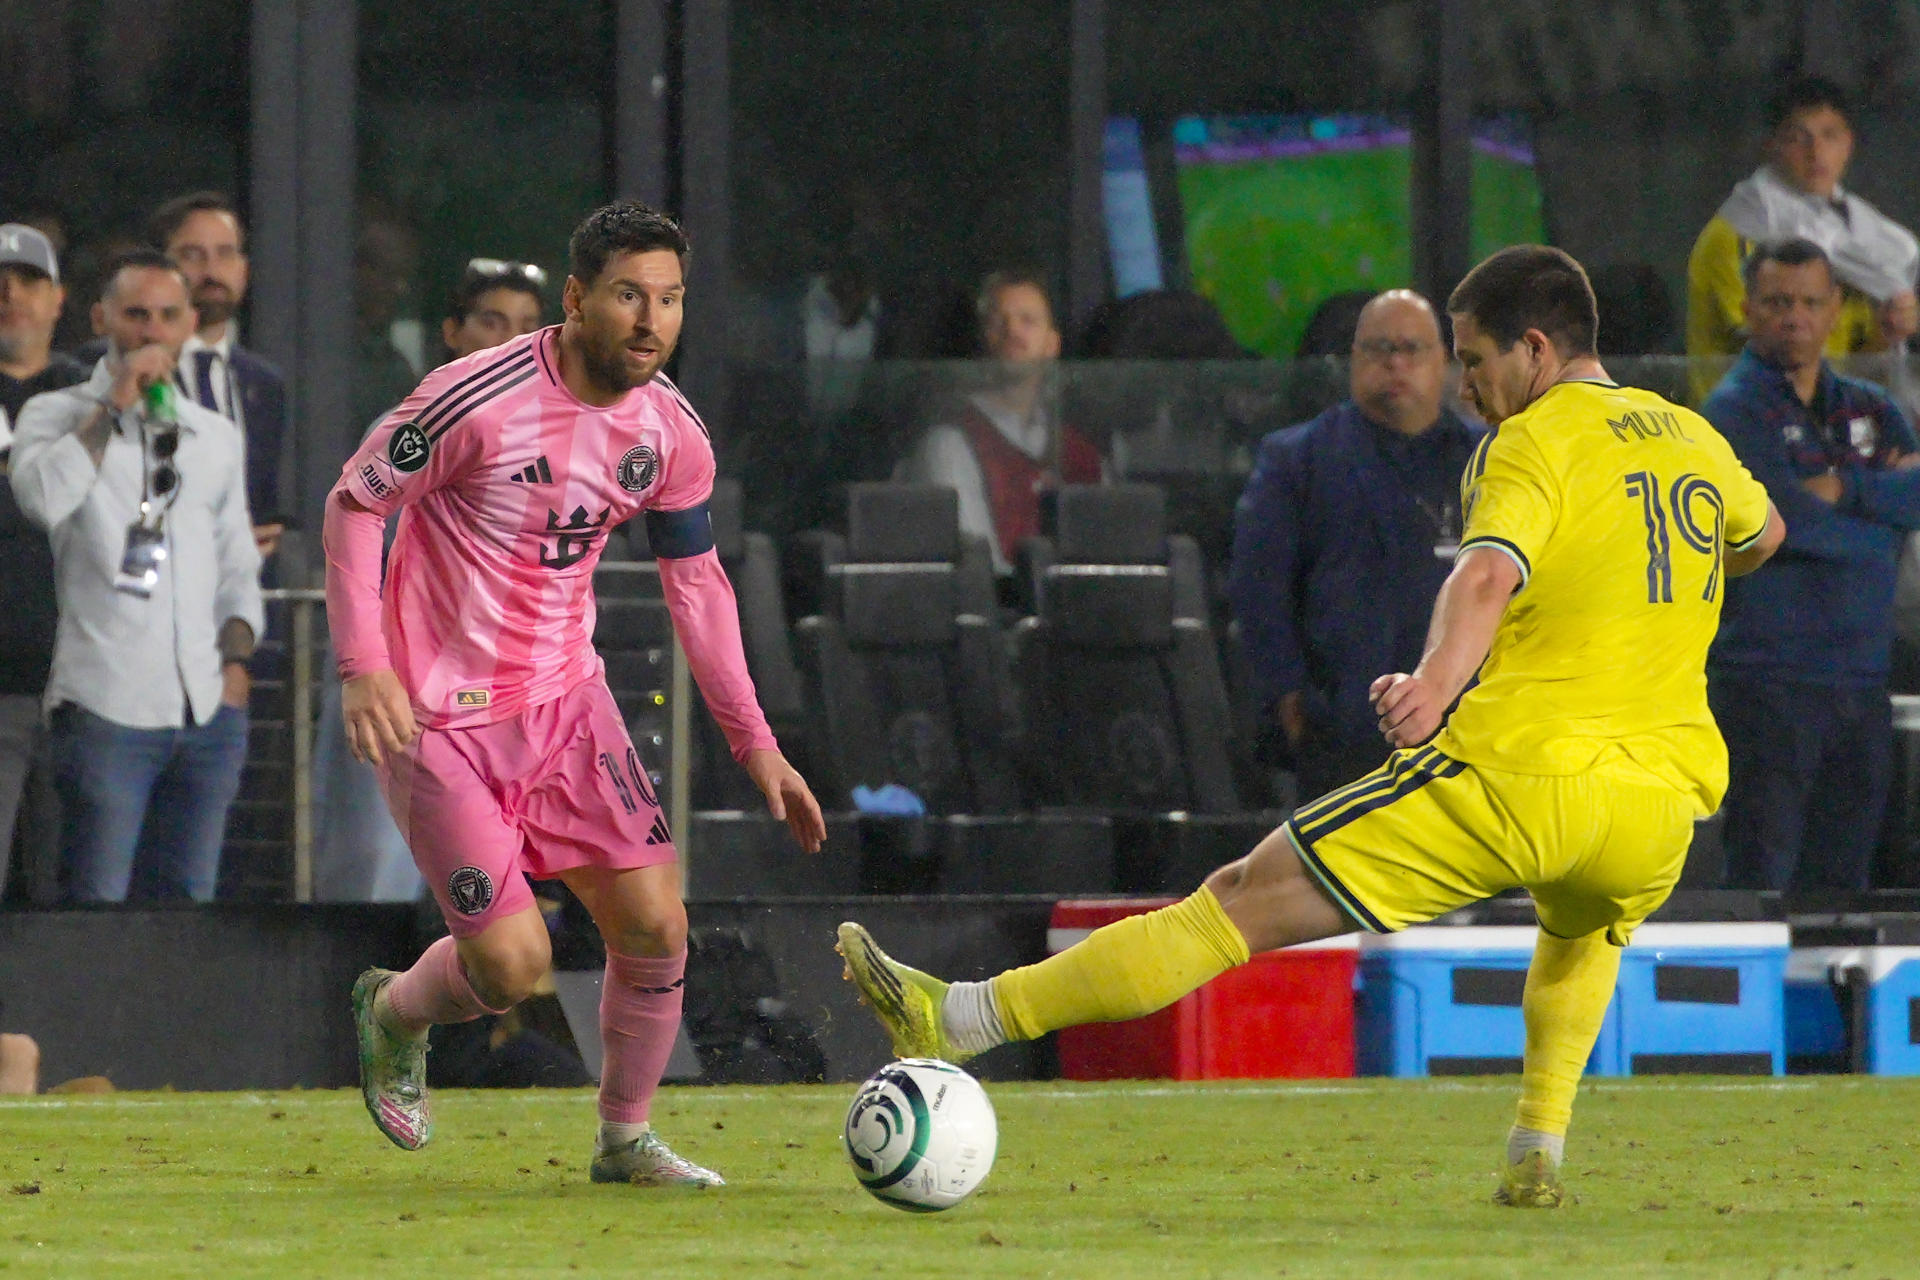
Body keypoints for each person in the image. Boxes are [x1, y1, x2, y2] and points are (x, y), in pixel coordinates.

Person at [839, 244, 1784, 1209]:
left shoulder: (1533, 440)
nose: (1467, 384)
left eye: (1476, 359)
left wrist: (1434, 683)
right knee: (1581, 934)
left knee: (1236, 898)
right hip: (1659, 809)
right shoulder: (1687, 435)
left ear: (1536, 349)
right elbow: (1763, 536)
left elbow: (1486, 572)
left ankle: (957, 1016)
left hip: (1517, 781)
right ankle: (1537, 1145)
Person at [326, 201, 825, 1185]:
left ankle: (624, 1137)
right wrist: (361, 665)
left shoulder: (671, 432)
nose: (652, 319)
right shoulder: (474, 397)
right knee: (511, 967)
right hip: (439, 719)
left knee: (655, 923)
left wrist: (754, 737)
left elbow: (699, 584)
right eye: (631, 294)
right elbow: (355, 502)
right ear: (576, 297)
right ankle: (392, 1009)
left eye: (671, 299)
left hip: (566, 702)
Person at [10, 249, 262, 902]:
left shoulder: (215, 433)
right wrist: (112, 409)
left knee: (186, 910)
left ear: (187, 326)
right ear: (102, 320)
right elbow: (42, 498)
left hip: (206, 709)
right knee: (96, 906)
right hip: (104, 707)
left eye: (167, 316)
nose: (151, 332)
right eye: (136, 315)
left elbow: (237, 559)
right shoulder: (56, 414)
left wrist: (235, 665)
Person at [311, 258, 549, 904]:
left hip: (503, 698)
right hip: (400, 694)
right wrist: (369, 671)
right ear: (452, 332)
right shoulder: (410, 429)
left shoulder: (559, 443)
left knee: (485, 900)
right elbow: (358, 551)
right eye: (492, 322)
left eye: (527, 326)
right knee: (371, 883)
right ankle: (352, 1005)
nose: (510, 340)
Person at [1703, 238, 1920, 891]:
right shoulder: (1729, 413)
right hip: (1768, 687)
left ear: (1834, 309)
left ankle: (1828, 1001)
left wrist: (1846, 491)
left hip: (1861, 684)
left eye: (1808, 302)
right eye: (1776, 302)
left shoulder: (1871, 407)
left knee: (1845, 891)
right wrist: (1873, 514)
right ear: (1748, 309)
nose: (1793, 316)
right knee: (1762, 886)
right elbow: (1780, 526)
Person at [1229, 290, 1484, 799]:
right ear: (1352, 360)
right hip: (1341, 734)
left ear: (1445, 363)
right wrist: (1289, 700)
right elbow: (1259, 593)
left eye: (1412, 348)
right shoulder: (1297, 459)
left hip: (1472, 734)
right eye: (1377, 348)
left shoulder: (1490, 459)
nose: (1395, 362)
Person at [1687, 76, 1918, 402]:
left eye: (1829, 135)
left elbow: (1858, 357)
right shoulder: (1738, 234)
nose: (1816, 152)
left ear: (1848, 143)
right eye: (1798, 138)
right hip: (1738, 430)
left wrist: (1890, 330)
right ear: (1771, 146)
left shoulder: (1871, 240)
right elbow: (1779, 349)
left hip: (1828, 427)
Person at [895, 270, 1102, 573]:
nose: (1012, 332)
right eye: (997, 321)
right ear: (983, 340)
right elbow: (979, 571)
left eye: (1028, 321)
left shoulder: (1082, 451)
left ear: (1052, 345)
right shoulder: (950, 443)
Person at [0, 224, 88, 900]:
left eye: (29, 280)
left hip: (86, 689)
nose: (10, 294)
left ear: (57, 298)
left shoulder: (95, 398)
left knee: (70, 893)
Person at [148, 192, 290, 558]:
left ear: (244, 268)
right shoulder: (122, 369)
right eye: (192, 255)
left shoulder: (265, 384)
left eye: (225, 254)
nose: (211, 271)